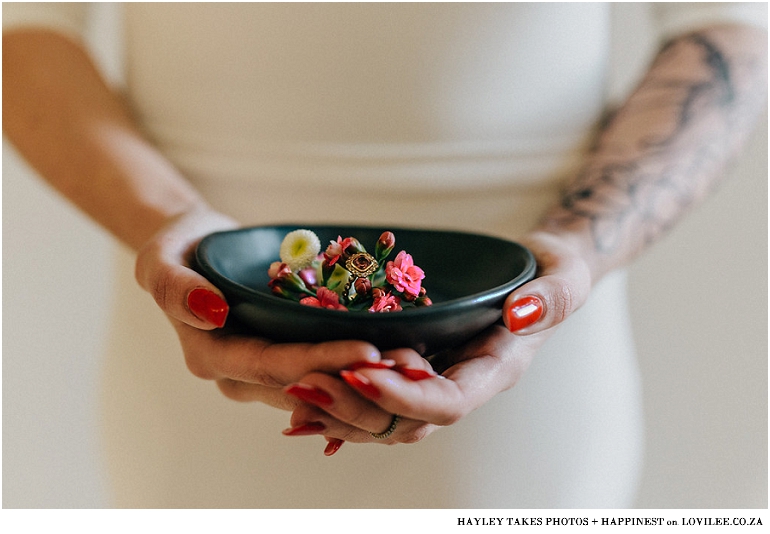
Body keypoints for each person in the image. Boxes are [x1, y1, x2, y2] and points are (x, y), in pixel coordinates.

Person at [3, 3, 766, 508]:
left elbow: (731, 30)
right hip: (195, 377)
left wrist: (580, 246)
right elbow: (26, 30)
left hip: (529, 377)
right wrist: (172, 222)